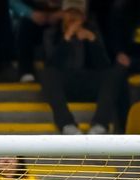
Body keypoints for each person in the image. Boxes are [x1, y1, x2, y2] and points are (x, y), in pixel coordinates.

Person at [38, 0, 125, 135]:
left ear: (84, 17)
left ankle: (100, 124)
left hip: (88, 82)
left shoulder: (92, 31)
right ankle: (67, 124)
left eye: (77, 14)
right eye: (70, 13)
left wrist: (92, 40)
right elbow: (52, 63)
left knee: (114, 72)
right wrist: (66, 39)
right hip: (65, 85)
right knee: (47, 73)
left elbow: (104, 66)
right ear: (63, 14)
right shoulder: (51, 33)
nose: (73, 17)